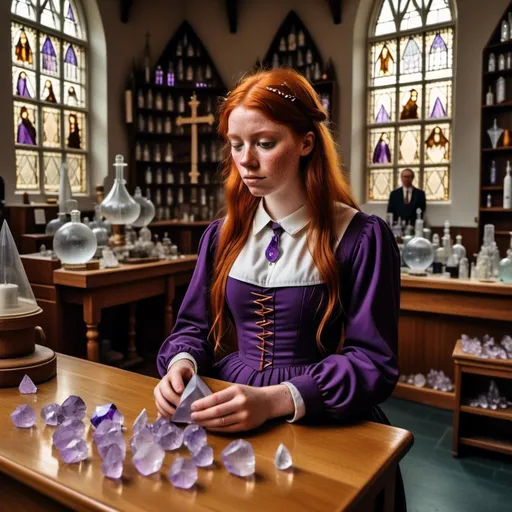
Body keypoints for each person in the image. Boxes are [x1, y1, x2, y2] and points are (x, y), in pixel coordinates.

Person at [156, 68, 406, 510]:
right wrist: (180, 364)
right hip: (231, 407)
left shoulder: (362, 238)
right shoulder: (222, 235)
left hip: (320, 413)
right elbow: (192, 327)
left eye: (265, 143)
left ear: (306, 143)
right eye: (236, 145)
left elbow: (373, 363)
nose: (246, 161)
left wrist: (276, 399)